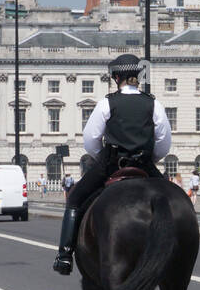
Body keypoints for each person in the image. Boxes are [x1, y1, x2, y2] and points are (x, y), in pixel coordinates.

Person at [53, 53, 171, 275]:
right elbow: (164, 143)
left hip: (112, 163)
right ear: (137, 76)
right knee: (174, 199)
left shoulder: (107, 103)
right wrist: (149, 159)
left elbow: (91, 140)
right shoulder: (153, 104)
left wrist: (103, 157)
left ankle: (65, 255)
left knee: (76, 198)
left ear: (117, 77)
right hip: (145, 164)